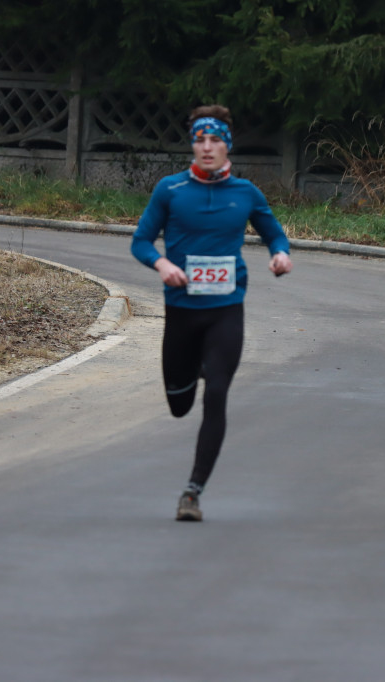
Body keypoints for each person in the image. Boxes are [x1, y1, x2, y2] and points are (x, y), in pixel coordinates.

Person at [131, 104, 293, 522]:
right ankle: (195, 368)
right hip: (182, 312)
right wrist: (162, 265)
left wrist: (280, 256)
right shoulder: (170, 190)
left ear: (227, 146)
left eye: (215, 140)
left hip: (226, 309)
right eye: (200, 140)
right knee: (180, 406)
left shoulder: (246, 194)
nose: (207, 147)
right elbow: (142, 242)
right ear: (193, 144)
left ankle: (193, 491)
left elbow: (275, 234)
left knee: (217, 393)